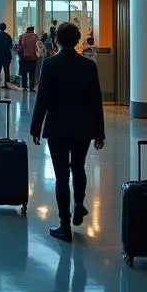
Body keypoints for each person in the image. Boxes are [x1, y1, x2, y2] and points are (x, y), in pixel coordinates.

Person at [30, 22, 106, 243]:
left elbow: (42, 98)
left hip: (57, 128)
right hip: (83, 127)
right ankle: (79, 202)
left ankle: (65, 224)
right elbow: (96, 101)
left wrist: (36, 127)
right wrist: (99, 132)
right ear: (77, 40)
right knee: (79, 166)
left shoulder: (50, 64)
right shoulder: (89, 66)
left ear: (57, 40)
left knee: (61, 174)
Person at [17, 26, 40, 91]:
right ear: (33, 30)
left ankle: (24, 86)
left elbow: (19, 48)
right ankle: (31, 87)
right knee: (32, 73)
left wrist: (20, 56)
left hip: (24, 58)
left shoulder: (22, 36)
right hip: (33, 58)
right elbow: (38, 47)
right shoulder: (36, 37)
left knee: (24, 72)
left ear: (27, 30)